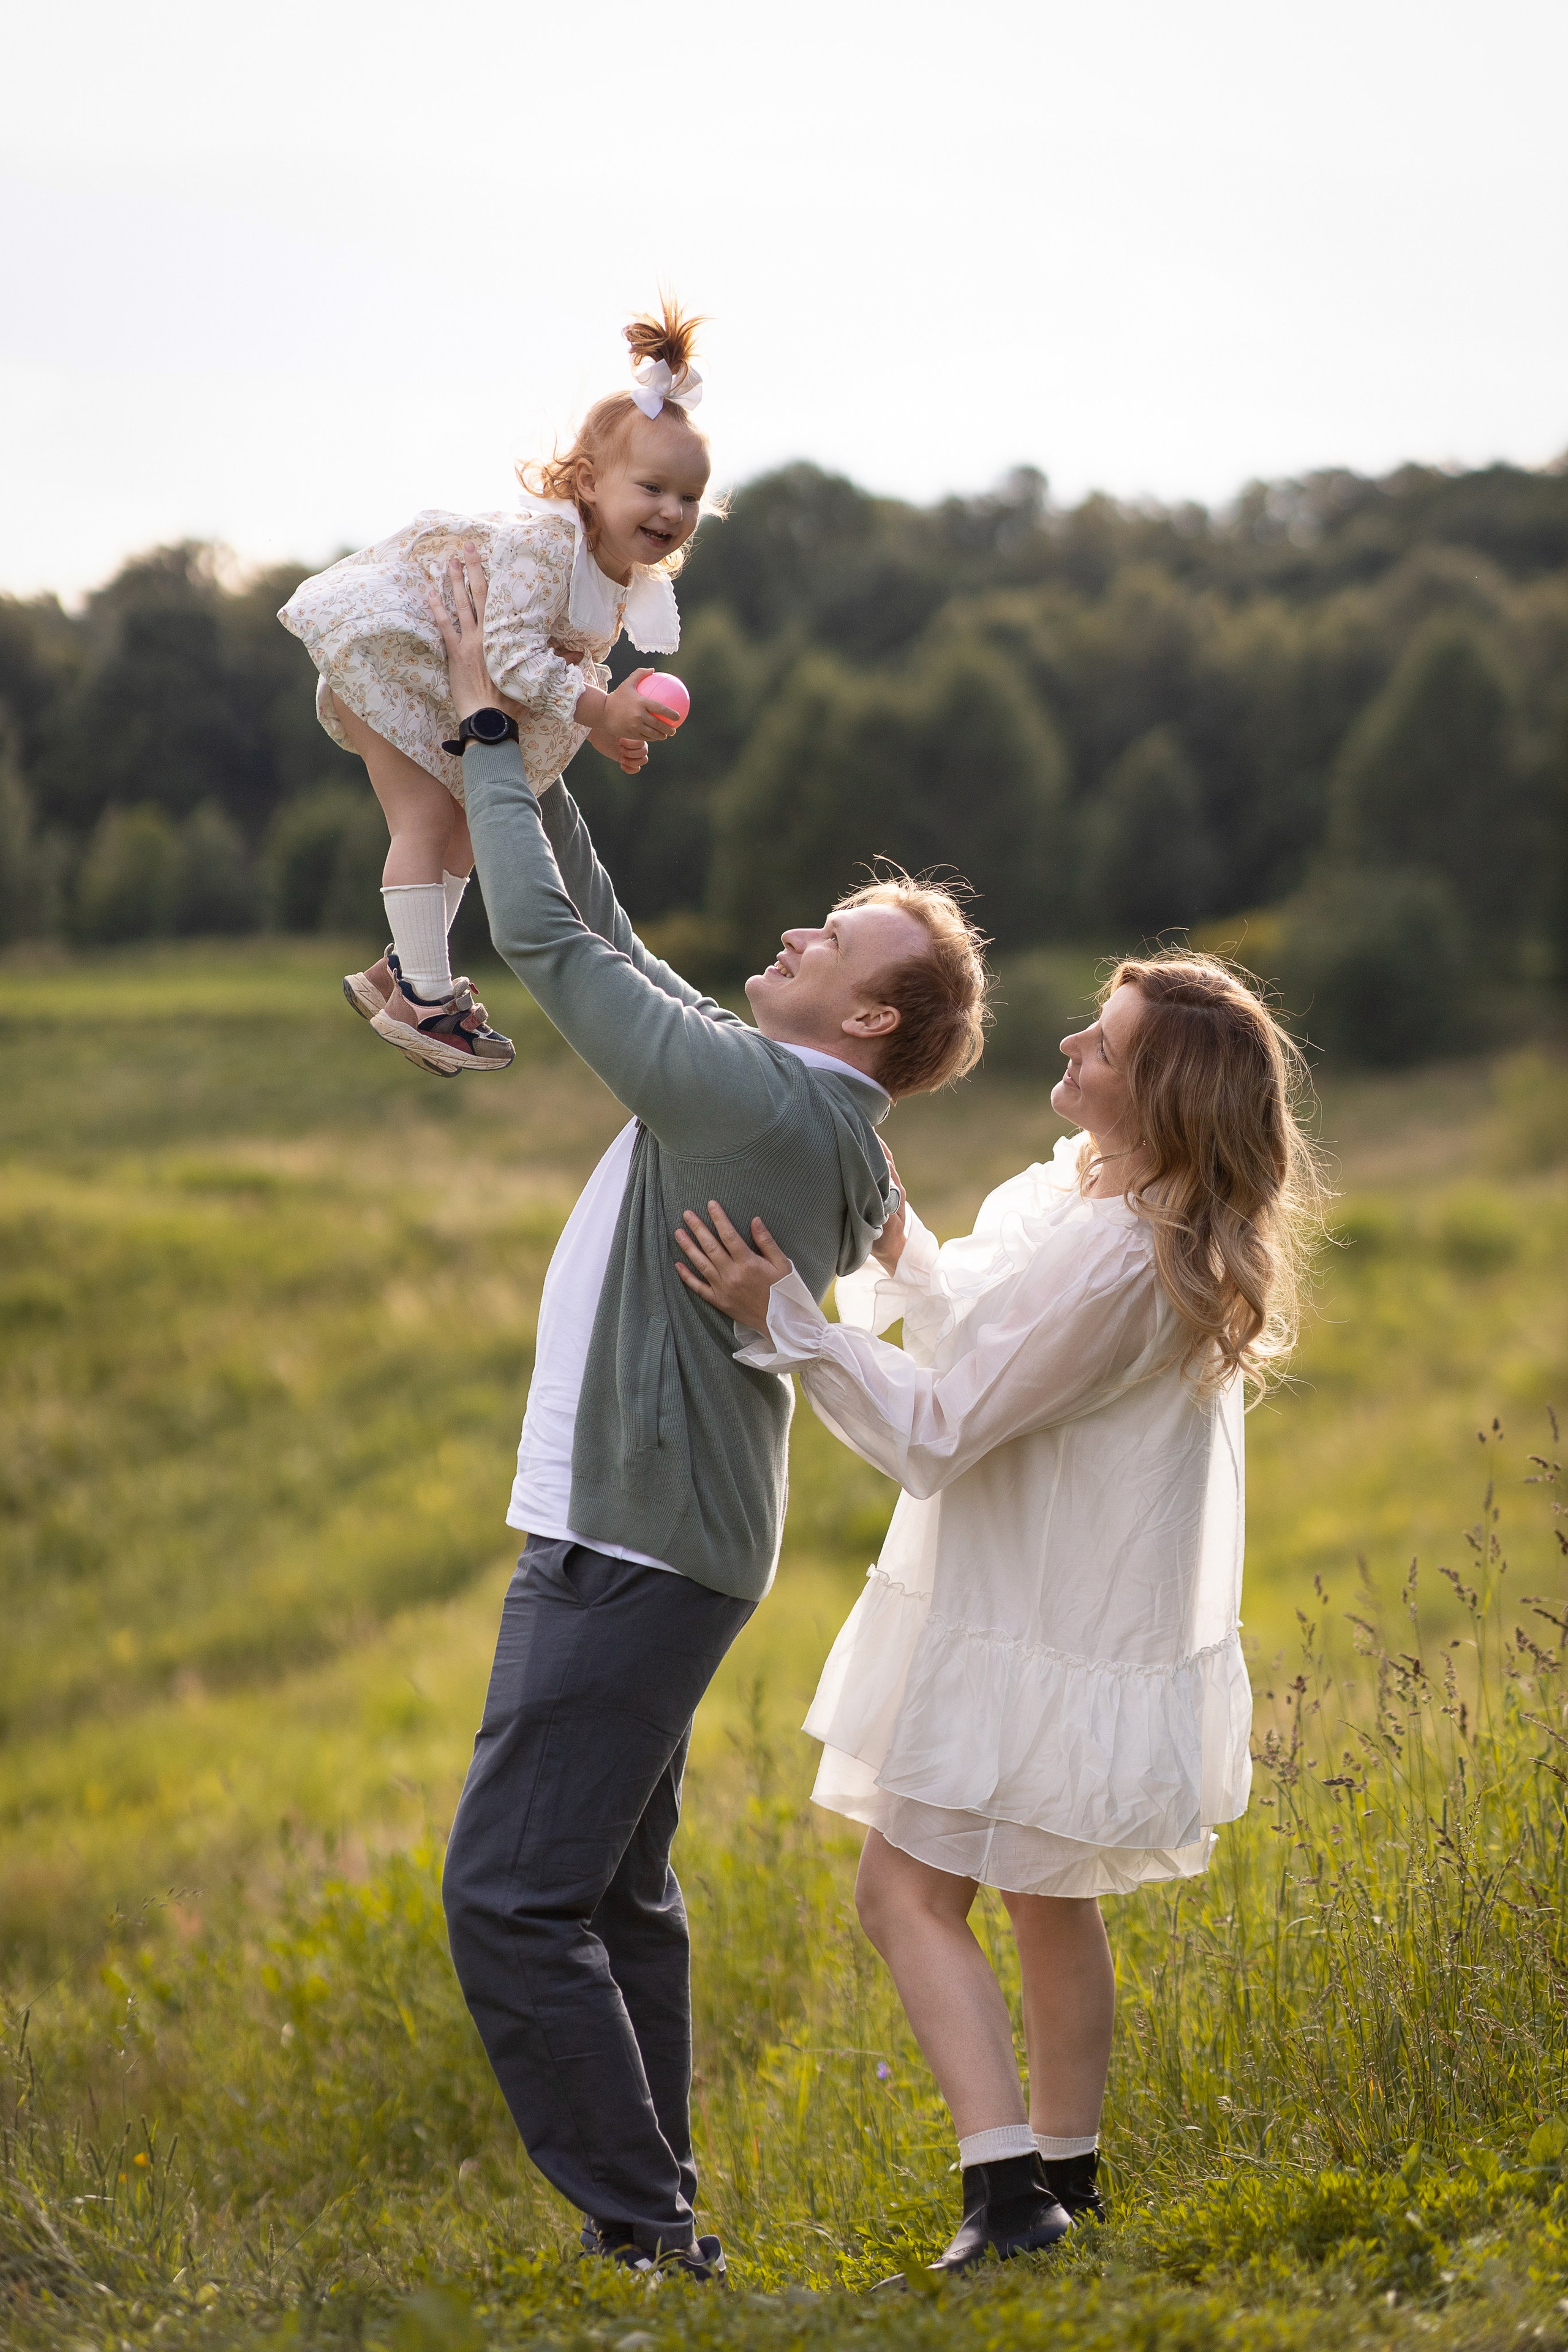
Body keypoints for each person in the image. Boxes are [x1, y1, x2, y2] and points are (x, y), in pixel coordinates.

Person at [424, 548, 990, 2280]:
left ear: (868, 1016)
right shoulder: (790, 1096)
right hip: (672, 1545)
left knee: (512, 1895)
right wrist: (531, 726)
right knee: (609, 1894)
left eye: (840, 940)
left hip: (627, 1547)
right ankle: (661, 2230)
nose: (800, 931)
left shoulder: (758, 1104)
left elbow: (531, 939)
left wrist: (468, 723)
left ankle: (644, 2235)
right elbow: (598, 928)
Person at [673, 954, 1325, 2273]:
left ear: (1156, 1099)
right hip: (1046, 1603)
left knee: (899, 1894)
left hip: (1031, 1608)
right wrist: (905, 1249)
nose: (1074, 1042)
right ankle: (1067, 2182)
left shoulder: (1123, 1253)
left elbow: (946, 1425)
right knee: (1042, 1894)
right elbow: (982, 1329)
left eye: (1107, 1041)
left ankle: (1004, 2194)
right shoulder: (1087, 1199)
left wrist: (784, 1319)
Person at [277, 298, 709, 1075]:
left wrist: (604, 725)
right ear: (588, 482)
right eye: (652, 488)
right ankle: (426, 998)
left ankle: (398, 972)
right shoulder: (549, 546)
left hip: (443, 686)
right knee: (424, 818)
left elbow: (562, 665)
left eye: (689, 497)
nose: (672, 511)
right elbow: (508, 656)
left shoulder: (617, 575)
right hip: (397, 661)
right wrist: (596, 706)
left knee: (469, 832)